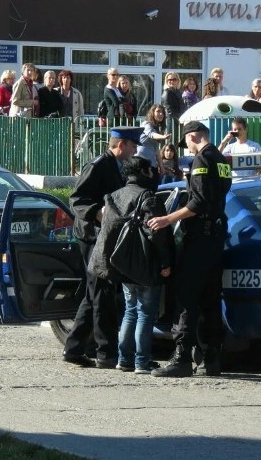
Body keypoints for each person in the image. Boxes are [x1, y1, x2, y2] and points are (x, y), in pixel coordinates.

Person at [148, 120, 232, 377]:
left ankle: (182, 358)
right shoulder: (221, 160)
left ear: (193, 136)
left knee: (186, 297)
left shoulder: (202, 162)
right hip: (216, 237)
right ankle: (212, 358)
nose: (186, 147)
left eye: (187, 142)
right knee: (210, 299)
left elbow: (198, 202)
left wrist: (167, 219)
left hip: (200, 239)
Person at [62, 126, 144, 369]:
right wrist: (98, 214)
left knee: (94, 293)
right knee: (102, 292)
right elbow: (77, 199)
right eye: (132, 145)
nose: (135, 150)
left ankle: (74, 347)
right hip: (91, 236)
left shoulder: (118, 166)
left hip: (105, 235)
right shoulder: (99, 165)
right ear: (121, 145)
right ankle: (106, 353)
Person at [88, 156, 173, 374]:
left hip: (122, 264)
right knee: (145, 313)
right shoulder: (148, 198)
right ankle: (142, 362)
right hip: (145, 264)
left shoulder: (114, 196)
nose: (154, 173)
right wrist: (165, 263)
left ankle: (124, 359)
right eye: (151, 170)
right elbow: (158, 234)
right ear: (144, 172)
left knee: (130, 311)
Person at [137, 104, 171, 172]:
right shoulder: (146, 124)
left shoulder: (156, 128)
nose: (161, 114)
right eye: (158, 111)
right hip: (141, 163)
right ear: (152, 113)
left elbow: (156, 150)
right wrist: (163, 137)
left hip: (152, 164)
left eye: (163, 112)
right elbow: (151, 134)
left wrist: (161, 167)